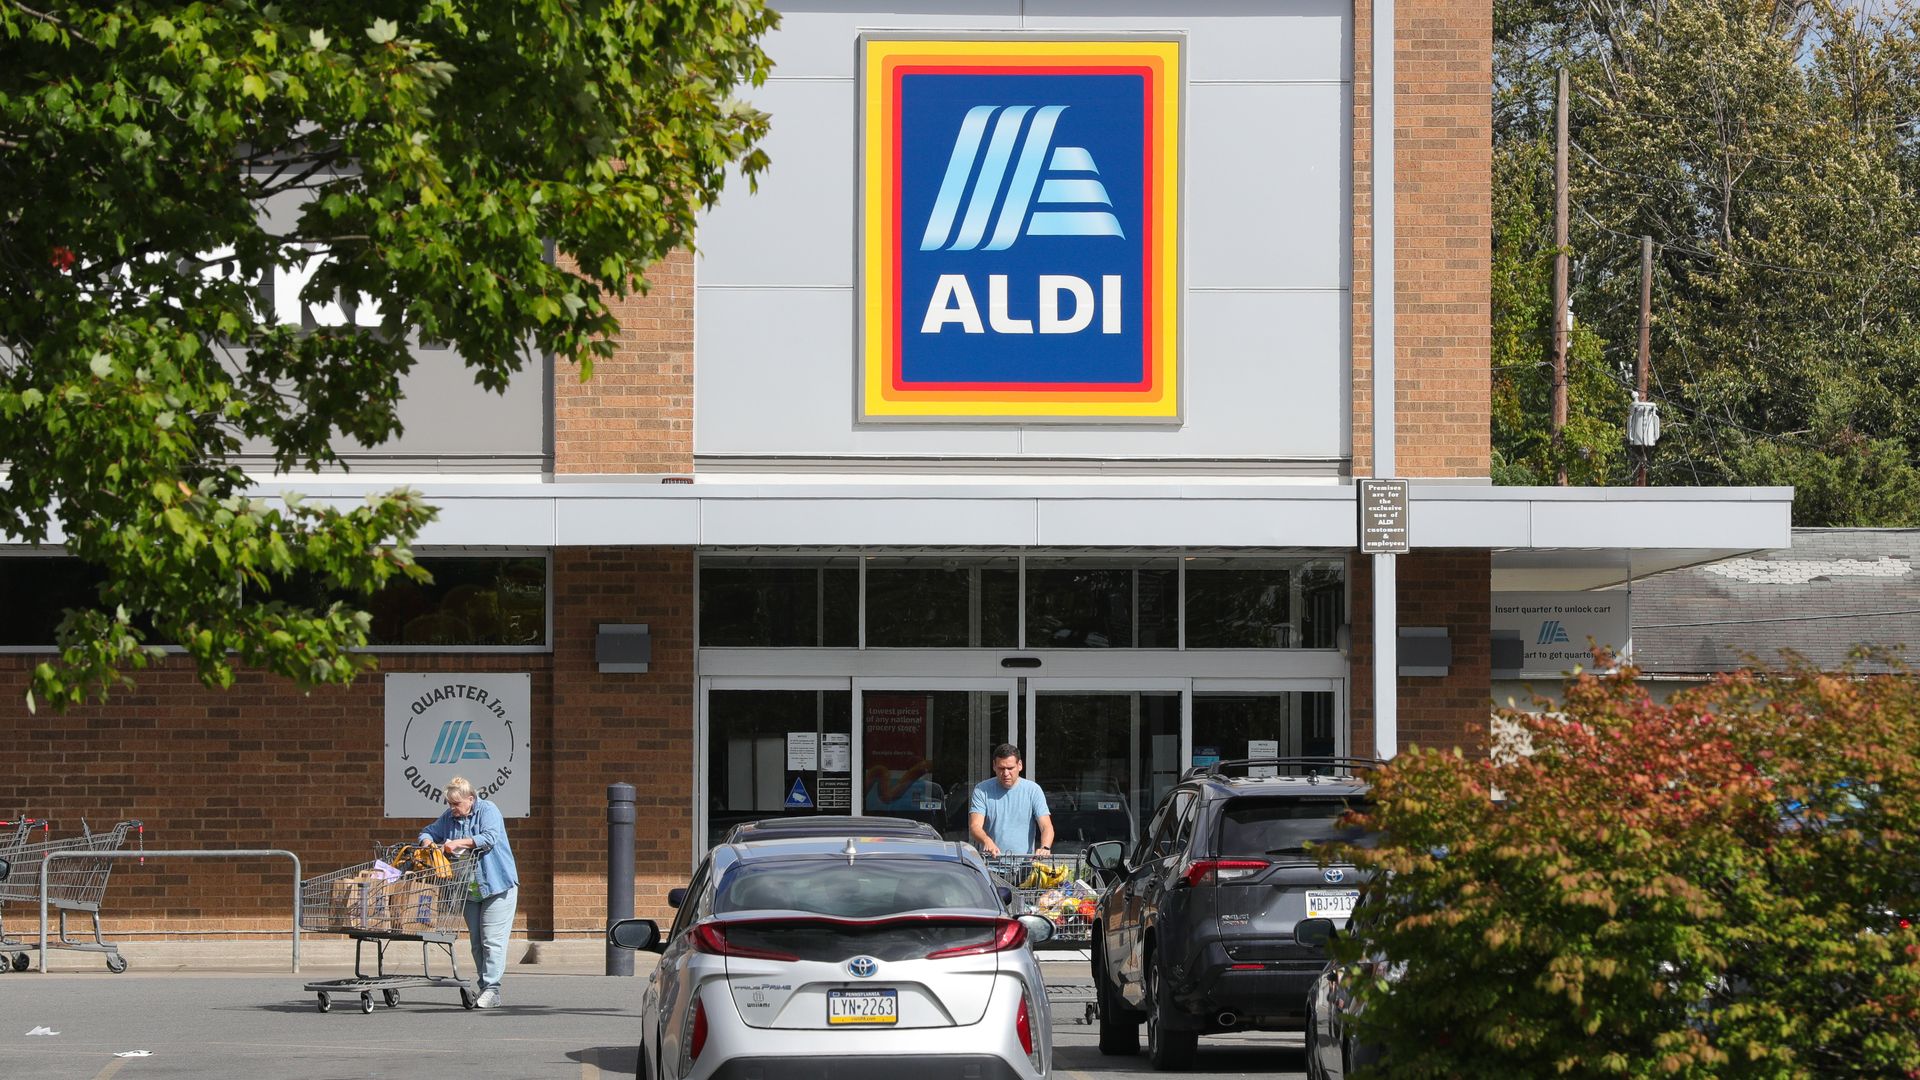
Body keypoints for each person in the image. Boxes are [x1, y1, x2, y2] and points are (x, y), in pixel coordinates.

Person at [418, 776, 519, 1010]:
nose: (452, 809)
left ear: (470, 799)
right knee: (476, 943)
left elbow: (489, 838)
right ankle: (485, 986)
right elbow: (428, 831)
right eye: (449, 804)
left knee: (492, 941)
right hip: (468, 890)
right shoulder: (449, 817)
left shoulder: (488, 809)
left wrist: (458, 843)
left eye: (456, 804)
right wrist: (427, 843)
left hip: (497, 885)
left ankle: (492, 989)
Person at [968, 744, 1055, 858]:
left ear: (1019, 765)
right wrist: (986, 840)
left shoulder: (1033, 790)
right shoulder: (982, 790)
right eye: (1001, 768)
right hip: (991, 864)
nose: (1005, 773)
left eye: (1010, 768)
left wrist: (1045, 847)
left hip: (1024, 865)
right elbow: (975, 825)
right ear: (994, 766)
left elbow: (1046, 826)